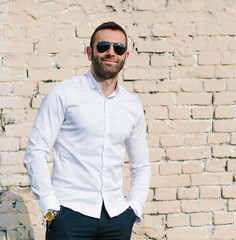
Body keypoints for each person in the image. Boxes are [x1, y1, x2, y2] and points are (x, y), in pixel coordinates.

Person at [23, 22, 151, 240]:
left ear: (126, 56)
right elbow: (35, 152)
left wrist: (133, 209)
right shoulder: (63, 94)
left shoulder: (132, 106)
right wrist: (50, 209)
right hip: (69, 216)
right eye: (103, 46)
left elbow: (141, 165)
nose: (111, 52)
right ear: (89, 52)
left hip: (116, 218)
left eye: (118, 48)